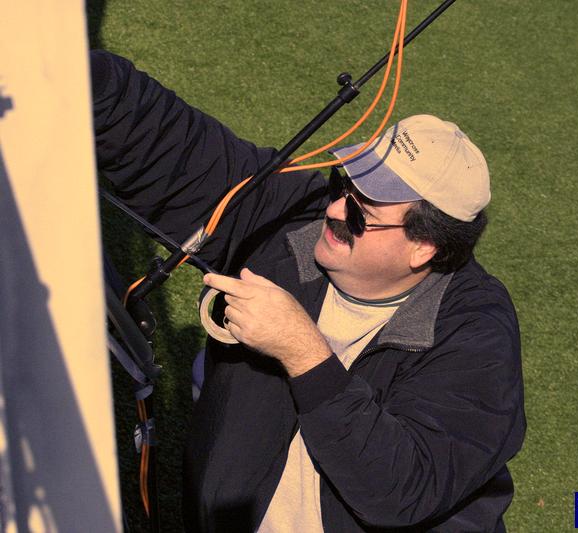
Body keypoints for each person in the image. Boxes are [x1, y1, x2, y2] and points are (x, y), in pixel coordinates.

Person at [92, 50, 526, 532]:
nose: (335, 210)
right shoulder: (294, 221)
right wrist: (77, 75)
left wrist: (302, 350)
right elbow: (170, 144)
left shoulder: (476, 335)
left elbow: (400, 487)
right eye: (344, 185)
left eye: (361, 213)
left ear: (423, 247)